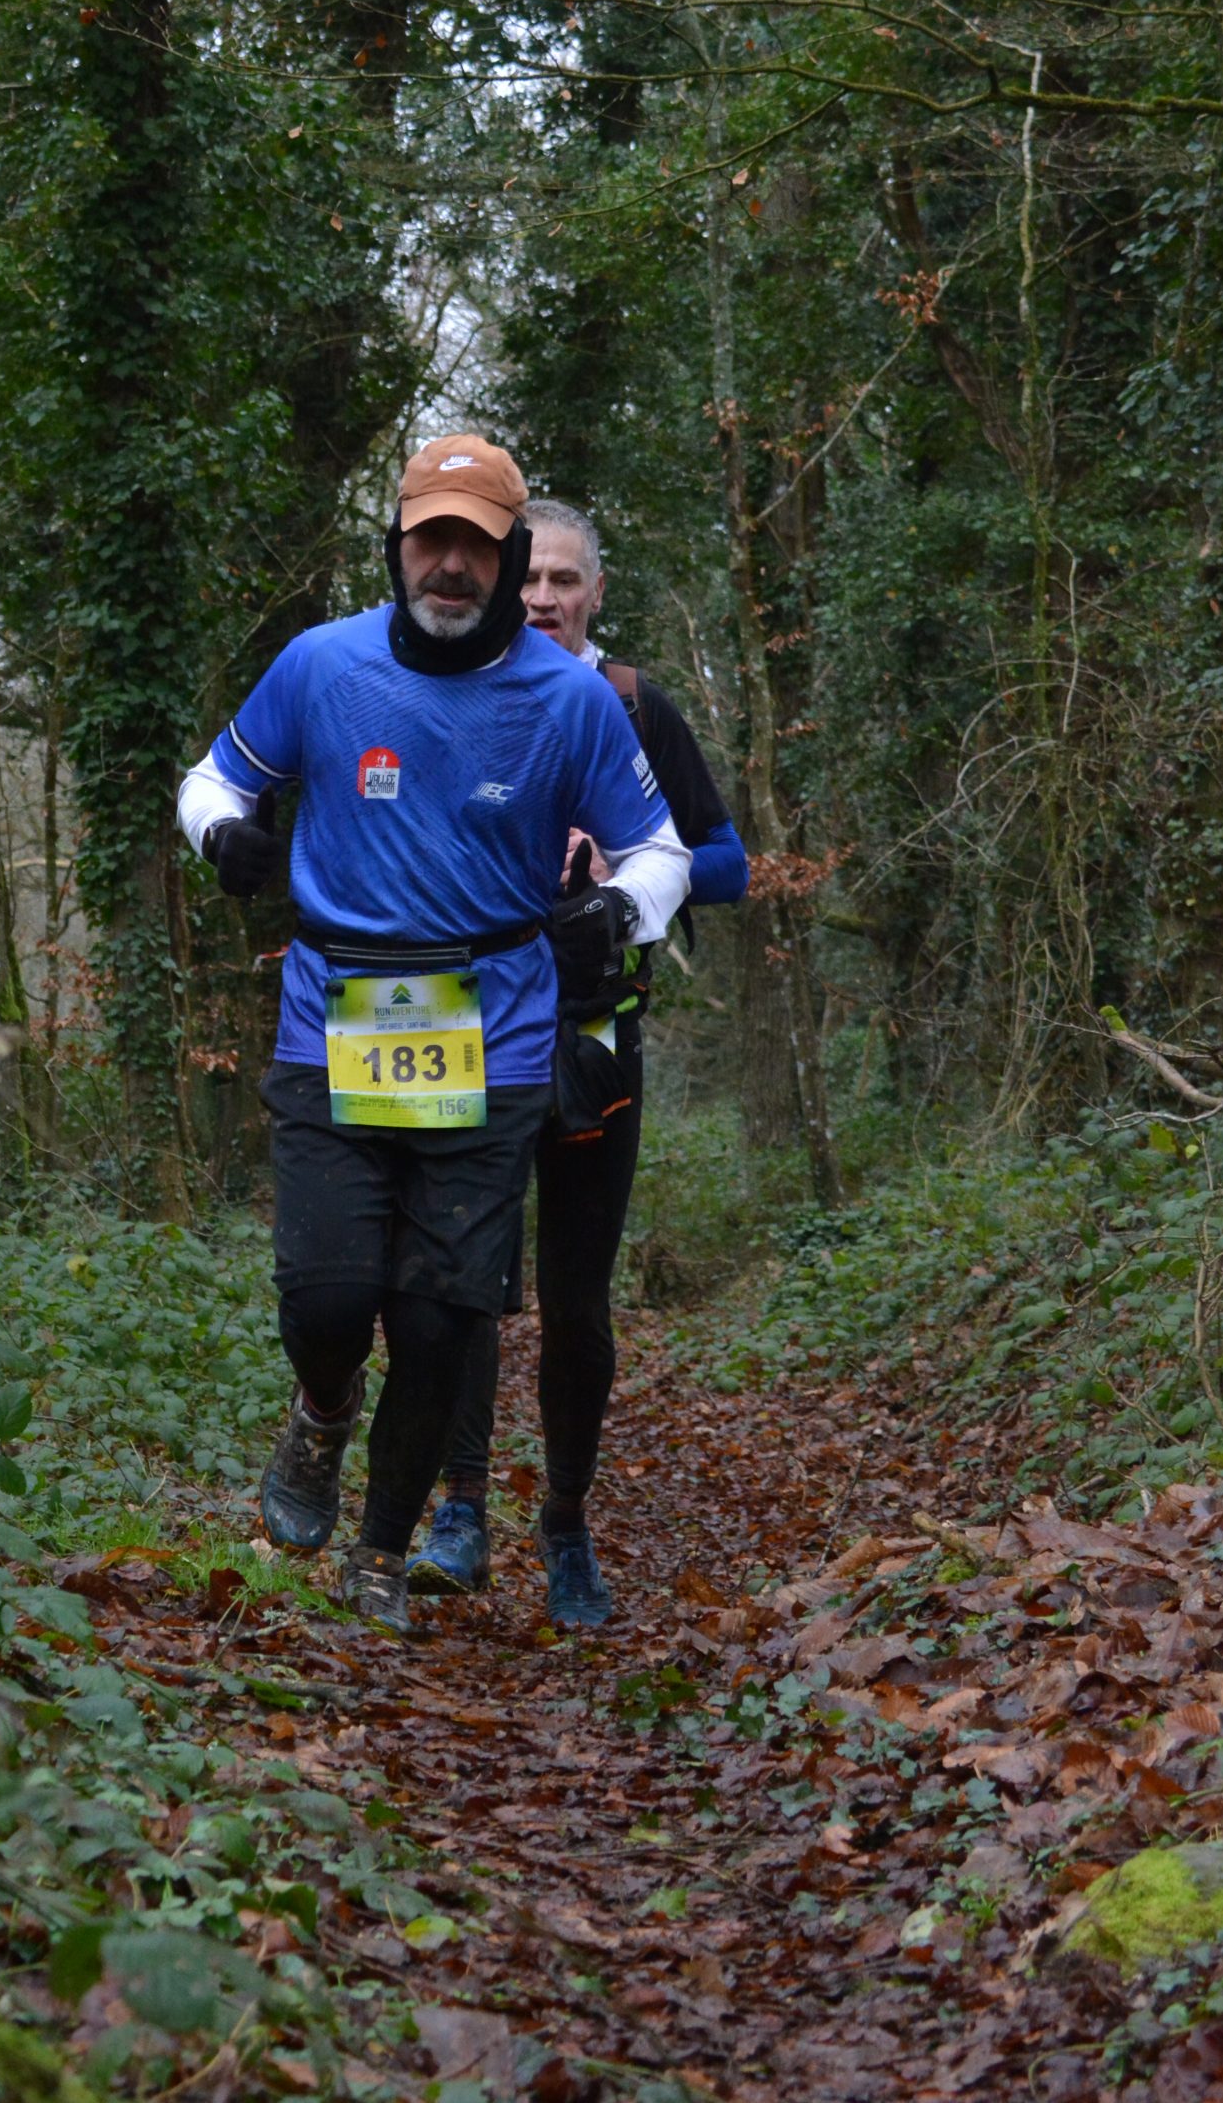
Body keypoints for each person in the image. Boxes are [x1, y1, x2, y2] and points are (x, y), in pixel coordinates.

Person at [176, 438, 691, 1635]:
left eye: (476, 544)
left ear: (510, 559)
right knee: (327, 1292)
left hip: (494, 1036)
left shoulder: (569, 700)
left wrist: (618, 912)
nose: (450, 565)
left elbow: (662, 849)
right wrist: (223, 835)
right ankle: (321, 1410)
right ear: (396, 545)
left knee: (438, 1318)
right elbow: (212, 780)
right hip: (331, 1021)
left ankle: (381, 1551)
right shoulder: (322, 665)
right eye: (430, 539)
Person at [407, 498, 747, 1626]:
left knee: (576, 1302)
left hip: (594, 1038)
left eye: (565, 579)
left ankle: (564, 1524)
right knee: (459, 1280)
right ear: (501, 581)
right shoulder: (447, 693)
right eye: (530, 577)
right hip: (461, 1029)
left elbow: (730, 862)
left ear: (596, 592)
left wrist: (632, 871)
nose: (544, 597)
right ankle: (459, 1514)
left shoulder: (636, 707)